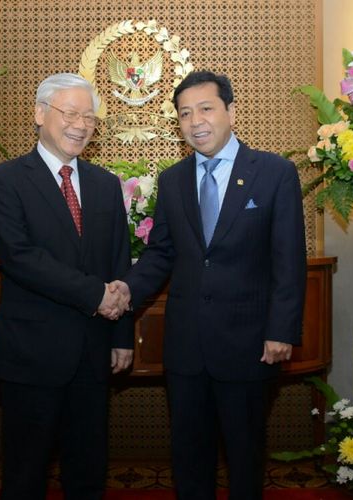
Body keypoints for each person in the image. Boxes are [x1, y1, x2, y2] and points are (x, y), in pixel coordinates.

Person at [110, 71, 307, 500]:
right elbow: (162, 252)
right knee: (188, 454)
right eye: (184, 114)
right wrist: (126, 290)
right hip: (186, 346)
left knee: (245, 453)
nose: (195, 121)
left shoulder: (274, 173)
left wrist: (281, 330)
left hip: (250, 342)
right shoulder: (173, 179)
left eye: (205, 109)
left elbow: (289, 260)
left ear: (231, 112)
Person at [0, 72, 134, 500]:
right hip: (31, 354)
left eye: (90, 117)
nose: (81, 124)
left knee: (87, 473)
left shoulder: (106, 184)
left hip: (93, 352)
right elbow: (21, 258)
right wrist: (95, 295)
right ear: (39, 113)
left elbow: (119, 261)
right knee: (26, 474)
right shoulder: (5, 180)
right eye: (71, 113)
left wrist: (122, 335)